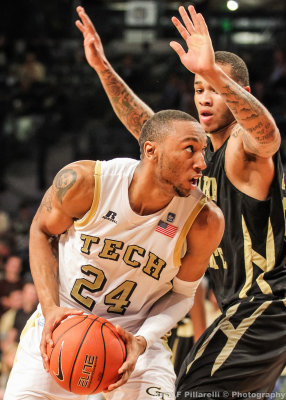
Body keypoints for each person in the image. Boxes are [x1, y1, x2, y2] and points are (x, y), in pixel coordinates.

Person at [75, 4, 286, 397]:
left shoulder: (242, 146)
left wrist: (210, 71)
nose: (205, 98)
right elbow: (146, 127)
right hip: (243, 308)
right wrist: (104, 68)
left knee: (192, 390)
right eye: (198, 89)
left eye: (215, 89)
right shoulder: (196, 161)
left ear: (239, 93)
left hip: (269, 301)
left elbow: (268, 136)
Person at [4, 109, 224, 400]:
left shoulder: (204, 220)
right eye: (190, 149)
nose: (202, 163)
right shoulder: (86, 182)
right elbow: (41, 231)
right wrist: (51, 309)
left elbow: (183, 294)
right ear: (151, 150)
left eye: (203, 151)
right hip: (63, 322)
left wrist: (143, 340)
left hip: (135, 337)